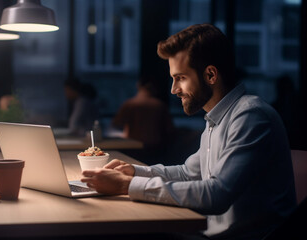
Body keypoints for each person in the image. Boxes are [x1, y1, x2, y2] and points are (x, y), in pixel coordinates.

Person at [81, 24, 297, 240]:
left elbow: (217, 195)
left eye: (180, 78)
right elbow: (188, 173)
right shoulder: (216, 119)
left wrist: (125, 185)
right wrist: (134, 172)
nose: (174, 90)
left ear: (211, 75)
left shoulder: (251, 116)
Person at [111, 75, 174, 164]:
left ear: (138, 85)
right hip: (155, 148)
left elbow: (116, 123)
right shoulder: (159, 105)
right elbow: (170, 129)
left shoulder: (130, 104)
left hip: (133, 148)